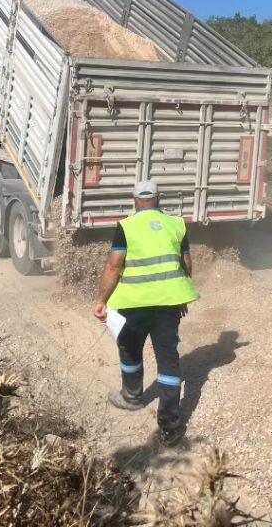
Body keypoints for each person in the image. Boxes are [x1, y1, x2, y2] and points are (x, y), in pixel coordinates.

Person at [92, 180, 199, 446]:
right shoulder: (177, 224)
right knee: (168, 359)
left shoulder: (126, 226)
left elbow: (114, 266)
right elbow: (186, 263)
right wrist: (180, 295)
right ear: (159, 199)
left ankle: (132, 397)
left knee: (129, 348)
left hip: (133, 304)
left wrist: (101, 299)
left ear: (135, 200)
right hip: (168, 305)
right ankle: (170, 426)